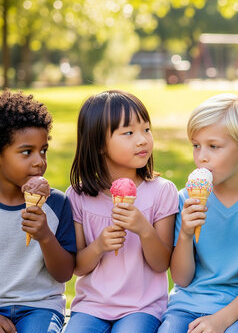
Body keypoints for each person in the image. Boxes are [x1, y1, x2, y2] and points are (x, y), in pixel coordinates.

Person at [158, 94, 238, 333]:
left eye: (213, 146)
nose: (201, 156)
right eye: (196, 145)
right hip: (186, 305)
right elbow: (181, 279)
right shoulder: (185, 199)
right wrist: (185, 233)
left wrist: (221, 320)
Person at [64, 90, 178, 333]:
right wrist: (99, 246)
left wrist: (144, 230)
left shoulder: (161, 192)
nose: (142, 140)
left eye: (146, 129)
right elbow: (78, 267)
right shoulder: (78, 197)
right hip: (91, 307)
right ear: (99, 145)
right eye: (128, 133)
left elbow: (161, 264)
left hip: (142, 307)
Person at [0, 90, 76, 333]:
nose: (39, 161)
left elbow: (64, 273)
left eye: (43, 150)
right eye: (26, 152)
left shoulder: (56, 204)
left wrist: (45, 237)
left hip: (40, 306)